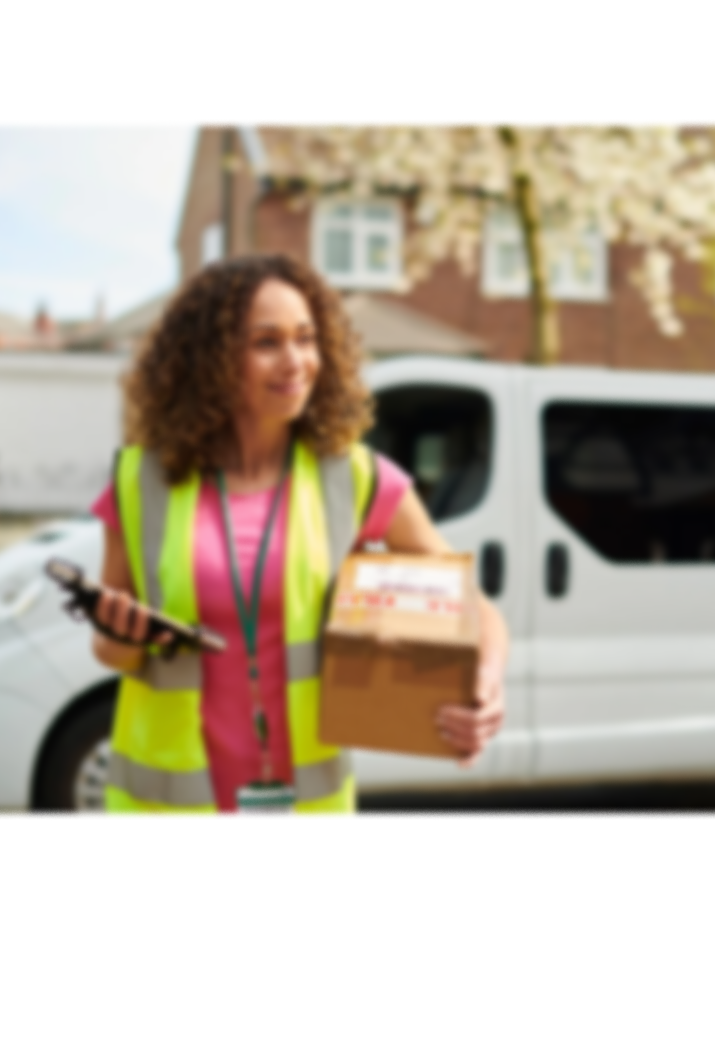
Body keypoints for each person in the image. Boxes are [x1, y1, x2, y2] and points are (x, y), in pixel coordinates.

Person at [89, 253, 508, 813]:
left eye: (306, 338)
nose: (295, 361)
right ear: (211, 358)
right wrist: (124, 636)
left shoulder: (356, 477)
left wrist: (486, 687)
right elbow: (111, 653)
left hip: (308, 803)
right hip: (168, 803)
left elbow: (475, 607)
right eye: (266, 342)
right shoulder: (140, 482)